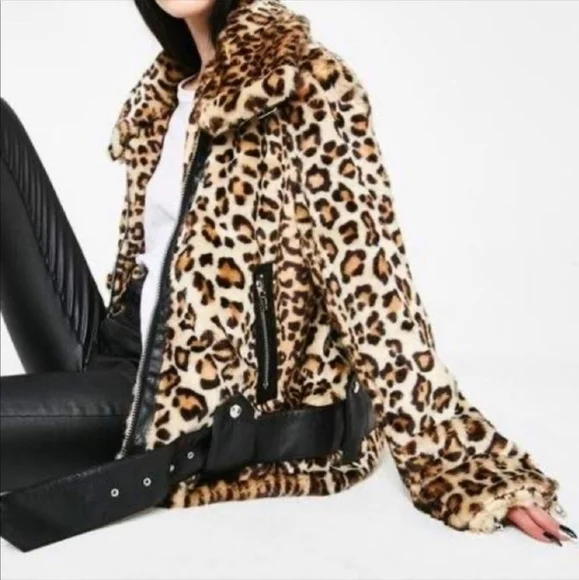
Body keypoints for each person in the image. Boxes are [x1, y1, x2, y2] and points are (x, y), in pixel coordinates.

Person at [0, 0, 574, 550]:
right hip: (119, 348)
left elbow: (375, 293)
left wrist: (467, 468)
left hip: (185, 399)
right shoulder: (168, 95)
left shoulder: (304, 84)